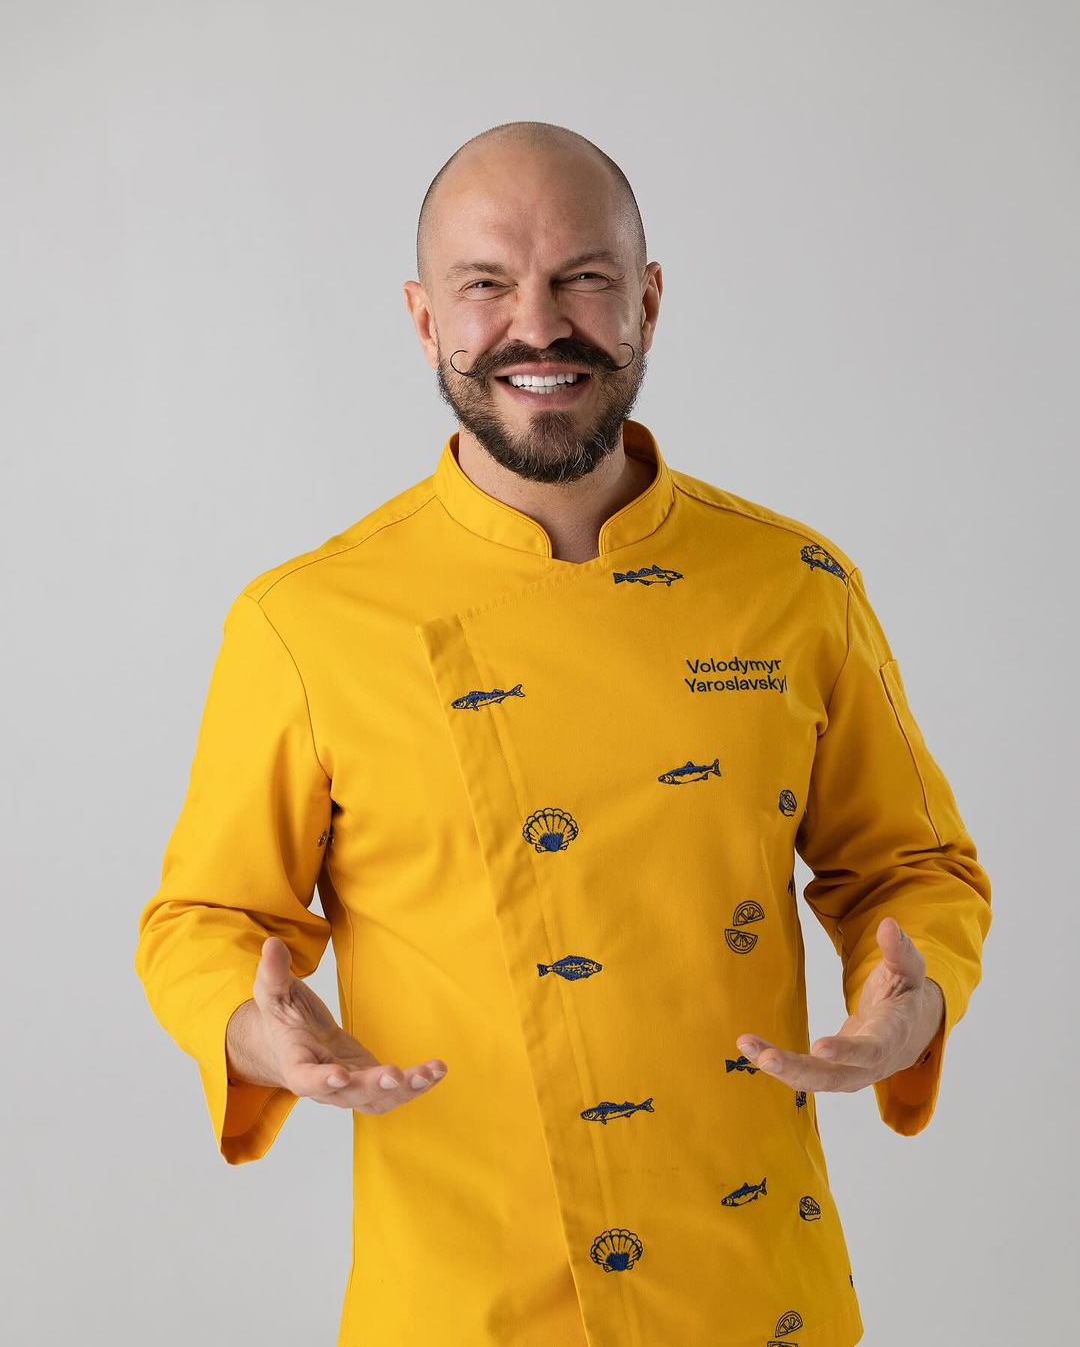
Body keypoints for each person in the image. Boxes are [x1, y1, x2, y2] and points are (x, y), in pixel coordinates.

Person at [134, 120, 992, 1347]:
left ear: (647, 302)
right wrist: (253, 1031)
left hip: (754, 1293)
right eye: (486, 284)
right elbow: (205, 917)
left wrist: (915, 994)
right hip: (458, 1304)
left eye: (583, 277)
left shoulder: (798, 585)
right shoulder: (305, 621)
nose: (538, 326)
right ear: (426, 319)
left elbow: (913, 865)